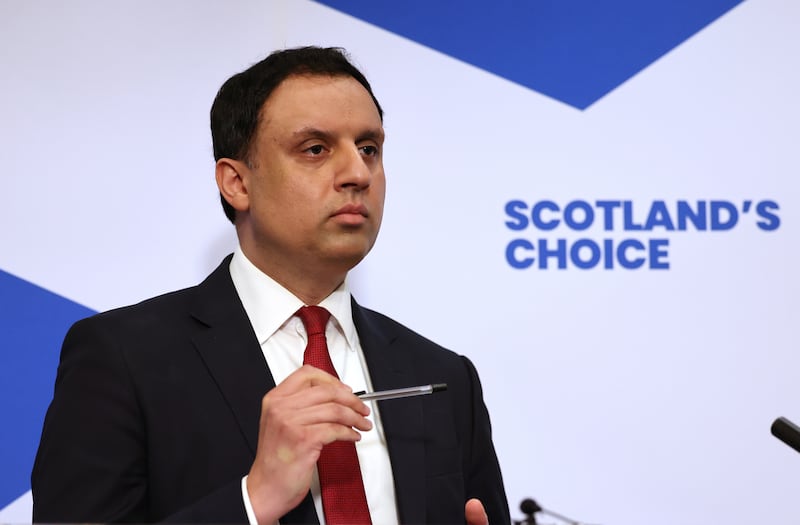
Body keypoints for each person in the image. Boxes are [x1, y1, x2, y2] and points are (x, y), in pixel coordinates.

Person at [31, 46, 510, 525]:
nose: (357, 174)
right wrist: (253, 501)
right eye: (316, 149)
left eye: (369, 149)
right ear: (237, 183)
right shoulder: (123, 358)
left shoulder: (444, 375)